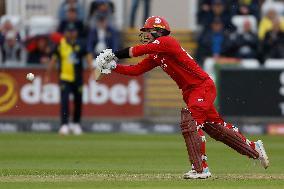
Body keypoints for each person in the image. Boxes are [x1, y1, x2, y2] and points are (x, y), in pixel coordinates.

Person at [92, 16, 269, 179]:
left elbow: (138, 50)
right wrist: (114, 67)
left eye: (147, 31)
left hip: (202, 87)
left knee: (189, 120)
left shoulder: (167, 42)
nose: (144, 35)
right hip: (192, 92)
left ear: (158, 31)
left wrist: (113, 54)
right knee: (216, 129)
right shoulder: (157, 54)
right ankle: (254, 149)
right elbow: (136, 70)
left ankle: (201, 169)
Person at [45, 24, 92, 135]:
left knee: (78, 102)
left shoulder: (80, 44)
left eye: (73, 31)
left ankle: (76, 124)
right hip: (65, 78)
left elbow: (88, 56)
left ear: (76, 32)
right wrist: (47, 74)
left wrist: (92, 71)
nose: (71, 33)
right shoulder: (60, 45)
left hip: (78, 79)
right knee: (65, 102)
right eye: (69, 31)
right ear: (65, 32)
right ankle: (64, 125)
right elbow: (53, 60)